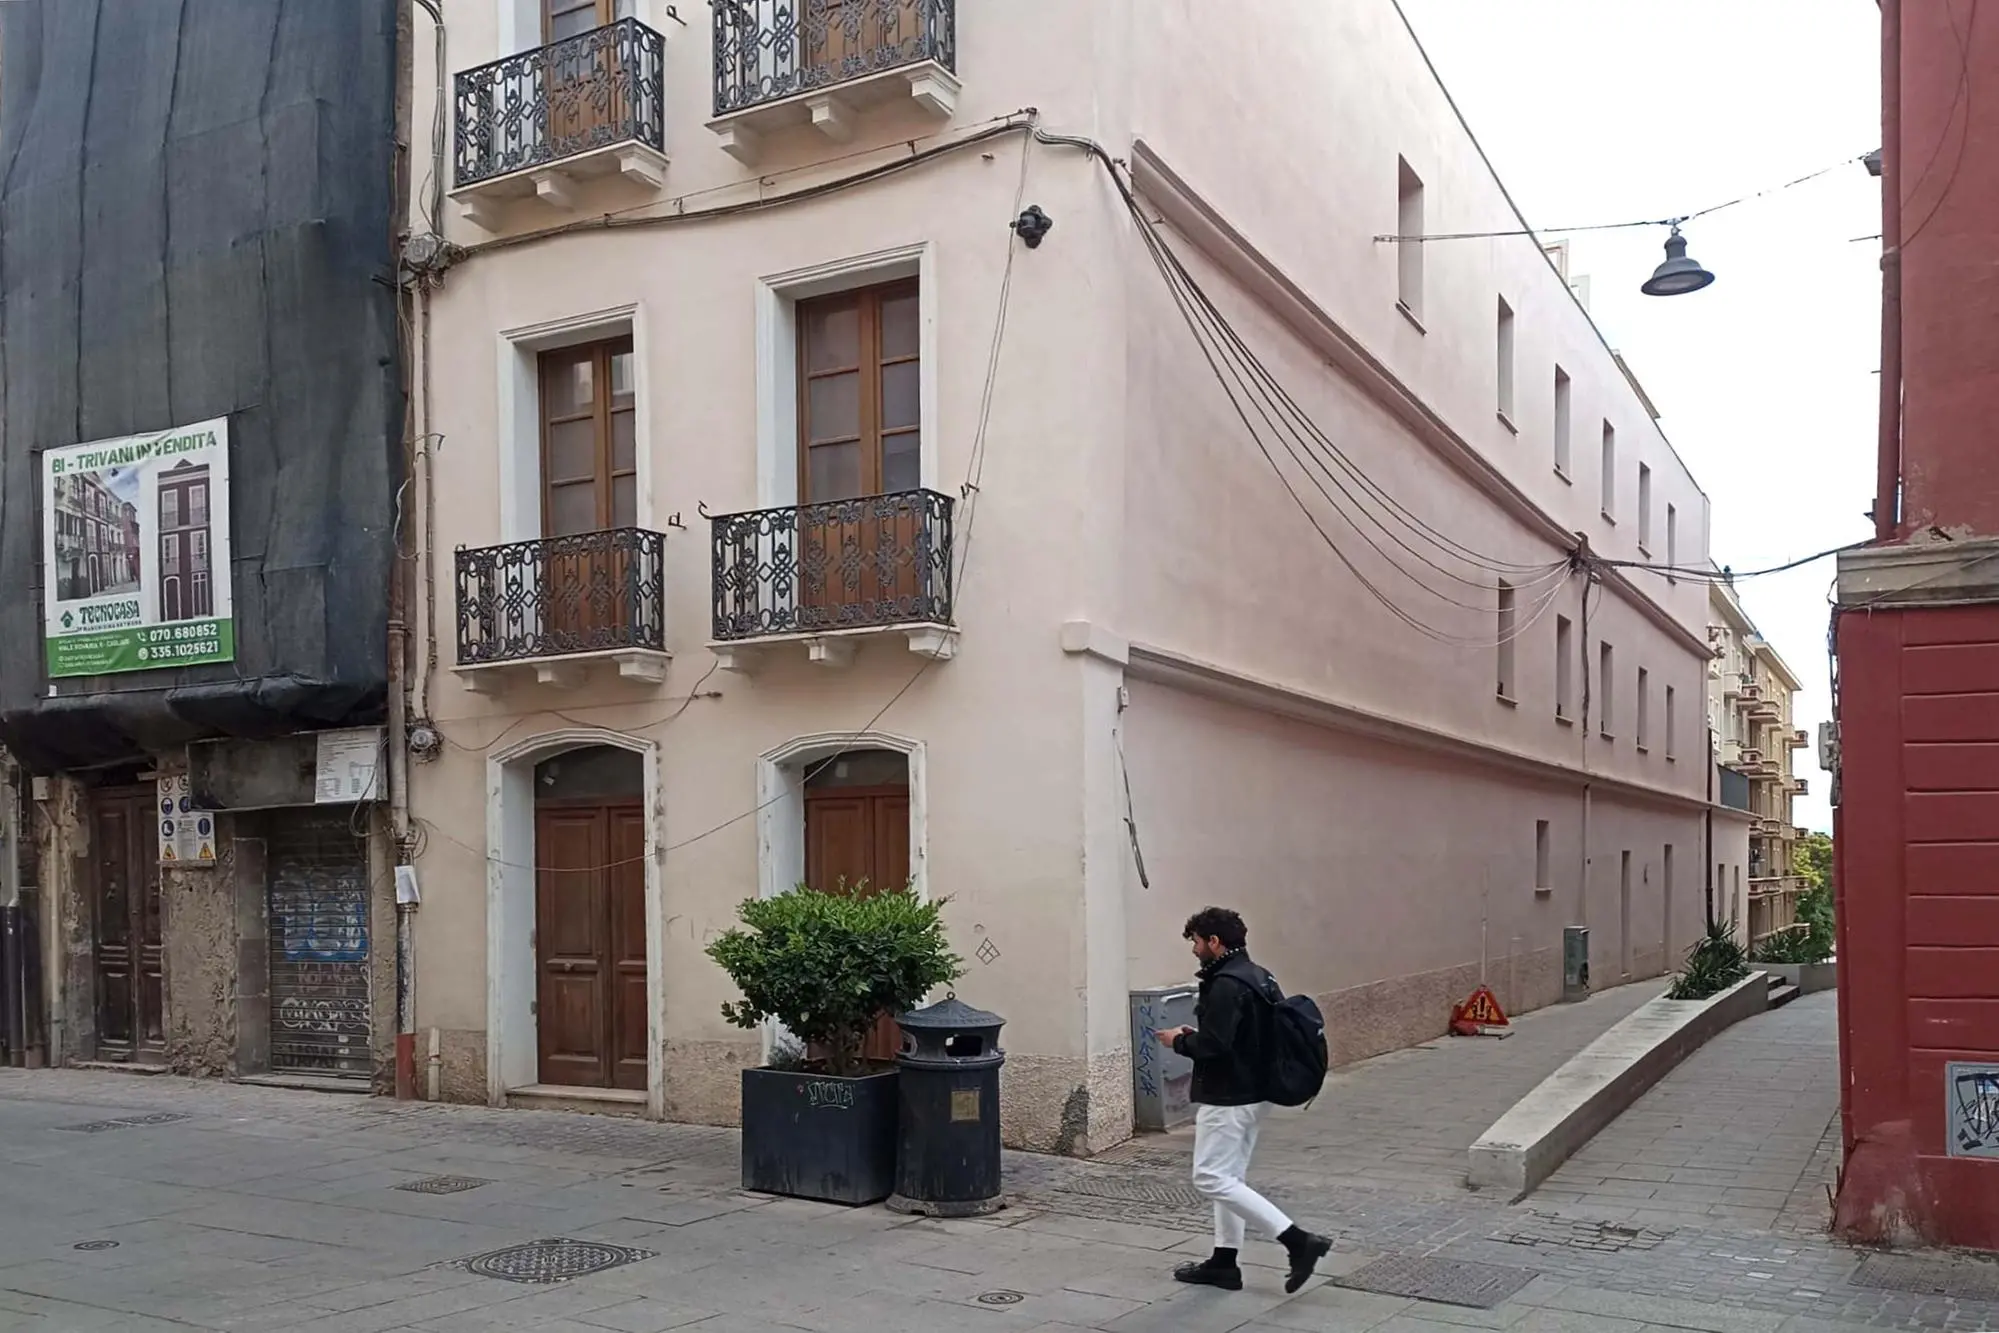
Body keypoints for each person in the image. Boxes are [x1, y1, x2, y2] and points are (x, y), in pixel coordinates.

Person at [1155, 907, 1331, 1294]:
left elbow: (1216, 1045)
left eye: (1197, 942)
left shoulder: (1226, 984)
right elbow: (1241, 1036)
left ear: (1214, 942)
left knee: (1210, 1176)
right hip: (1253, 1092)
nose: (1195, 950)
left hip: (1229, 1096)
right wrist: (1196, 1035)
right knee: (1229, 1177)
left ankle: (1298, 1242)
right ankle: (1224, 1262)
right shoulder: (1257, 975)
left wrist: (1179, 1041)